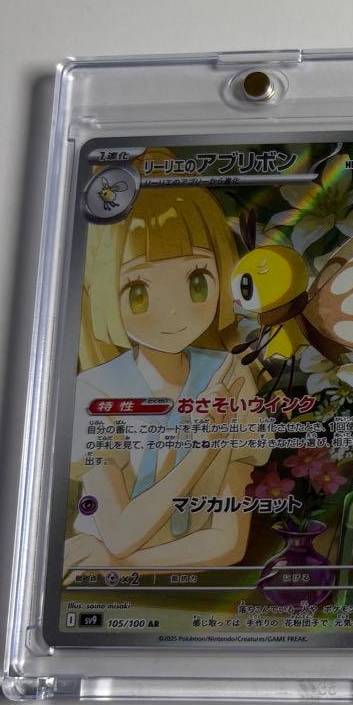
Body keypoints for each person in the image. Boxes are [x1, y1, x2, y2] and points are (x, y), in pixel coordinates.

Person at [64, 179, 268, 579]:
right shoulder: (96, 391)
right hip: (89, 583)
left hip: (150, 579)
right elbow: (120, 536)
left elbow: (228, 543)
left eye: (197, 282)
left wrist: (116, 567)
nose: (173, 313)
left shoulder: (231, 375)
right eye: (138, 291)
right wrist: (203, 449)